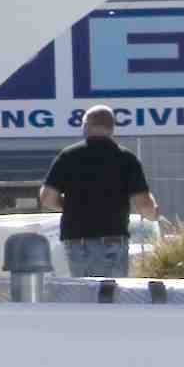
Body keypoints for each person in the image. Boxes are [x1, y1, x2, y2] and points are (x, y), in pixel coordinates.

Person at [40, 106, 158, 281]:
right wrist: (154, 213)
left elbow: (47, 198)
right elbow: (144, 206)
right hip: (112, 241)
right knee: (110, 300)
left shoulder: (68, 156)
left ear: (87, 125)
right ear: (111, 128)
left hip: (76, 242)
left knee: (84, 300)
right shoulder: (126, 159)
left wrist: (68, 205)